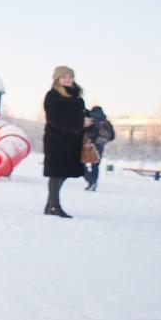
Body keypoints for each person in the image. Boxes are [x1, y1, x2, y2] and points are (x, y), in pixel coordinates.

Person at [43, 66, 92, 217]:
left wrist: (90, 117)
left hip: (73, 141)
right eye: (63, 77)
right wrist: (80, 122)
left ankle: (50, 205)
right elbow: (55, 118)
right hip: (57, 141)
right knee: (56, 173)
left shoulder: (77, 97)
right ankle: (54, 206)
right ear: (57, 79)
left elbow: (79, 113)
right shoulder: (53, 96)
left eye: (70, 76)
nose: (67, 79)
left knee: (63, 173)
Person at [83, 105, 115, 191]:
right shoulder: (105, 121)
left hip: (89, 144)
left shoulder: (91, 118)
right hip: (100, 146)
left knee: (81, 163)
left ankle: (90, 181)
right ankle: (93, 183)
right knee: (95, 165)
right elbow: (112, 136)